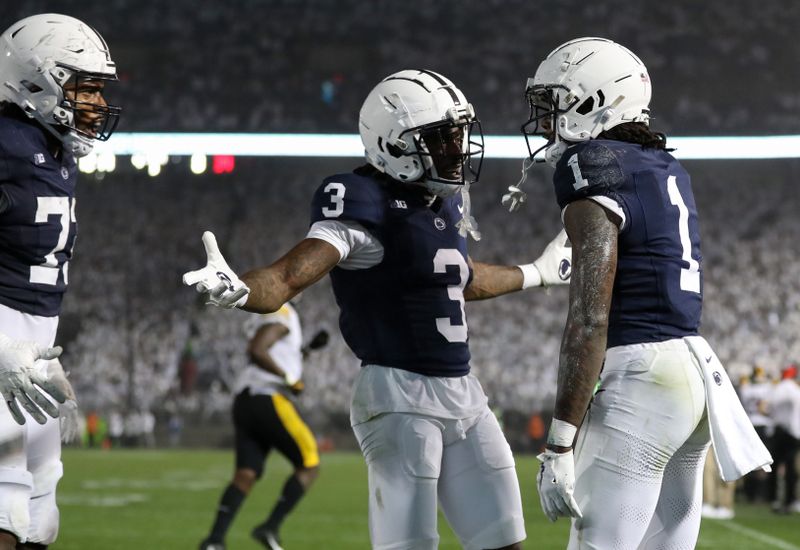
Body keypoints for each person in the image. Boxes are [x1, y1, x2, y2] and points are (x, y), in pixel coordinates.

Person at [184, 69, 571, 550]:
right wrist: (243, 289)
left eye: (458, 135)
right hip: (398, 396)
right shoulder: (362, 202)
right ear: (394, 144)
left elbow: (461, 277)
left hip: (465, 393)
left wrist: (538, 272)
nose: (458, 148)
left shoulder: (441, 203)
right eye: (442, 138)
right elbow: (288, 275)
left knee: (505, 542)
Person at [515, 37, 772, 548]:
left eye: (555, 104)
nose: (545, 123)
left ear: (593, 101)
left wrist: (560, 443)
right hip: (692, 375)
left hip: (642, 377)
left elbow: (590, 317)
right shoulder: (663, 165)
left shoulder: (591, 161)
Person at [0, 13, 120, 549]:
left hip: (34, 341)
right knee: (4, 505)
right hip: (4, 337)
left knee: (41, 513)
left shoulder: (56, 151)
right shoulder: (5, 142)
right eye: (85, 87)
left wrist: (39, 347)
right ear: (35, 80)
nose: (95, 103)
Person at [199, 302, 322, 550]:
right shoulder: (284, 311)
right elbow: (258, 350)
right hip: (268, 397)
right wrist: (289, 378)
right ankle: (270, 527)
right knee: (310, 463)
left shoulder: (271, 314)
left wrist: (303, 352)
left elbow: (273, 352)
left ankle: (214, 541)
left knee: (247, 472)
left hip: (245, 400)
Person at [766, 364, 800, 514]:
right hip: (792, 433)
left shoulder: (778, 388)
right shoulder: (794, 390)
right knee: (791, 468)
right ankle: (790, 500)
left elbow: (768, 408)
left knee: (775, 466)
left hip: (778, 430)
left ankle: (774, 499)